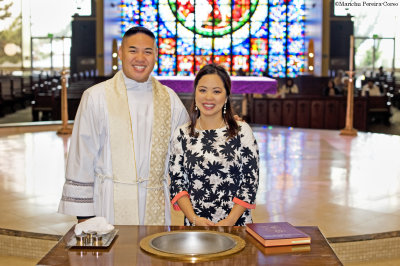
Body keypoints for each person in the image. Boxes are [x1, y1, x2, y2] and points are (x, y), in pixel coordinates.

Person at [58, 26, 190, 225]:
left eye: (147, 51)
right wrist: (85, 217)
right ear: (120, 53)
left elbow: (188, 148)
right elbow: (81, 157)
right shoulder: (96, 97)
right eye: (133, 50)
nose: (140, 58)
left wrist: (225, 126)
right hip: (107, 205)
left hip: (154, 205)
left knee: (152, 255)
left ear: (156, 55)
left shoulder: (169, 99)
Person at [169, 64, 259, 226]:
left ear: (226, 97)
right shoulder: (182, 134)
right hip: (195, 225)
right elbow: (177, 181)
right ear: (195, 93)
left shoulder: (242, 131)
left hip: (237, 225)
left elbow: (249, 181)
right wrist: (194, 218)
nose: (208, 97)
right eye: (202, 90)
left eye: (216, 91)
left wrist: (230, 221)